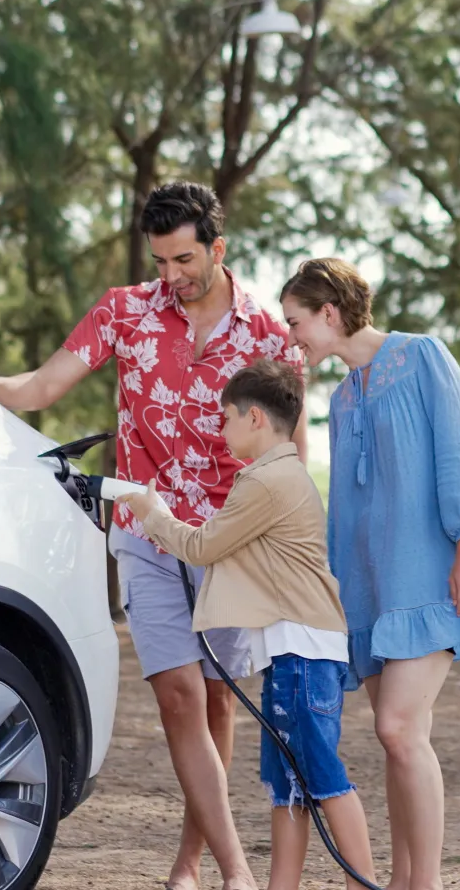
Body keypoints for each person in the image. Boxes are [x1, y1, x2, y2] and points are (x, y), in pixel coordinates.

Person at [0, 182, 302, 890]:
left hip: (233, 538)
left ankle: (192, 860)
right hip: (147, 531)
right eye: (160, 261)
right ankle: (236, 871)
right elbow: (45, 385)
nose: (170, 277)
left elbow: (287, 448)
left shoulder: (267, 333)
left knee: (218, 698)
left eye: (183, 260)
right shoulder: (126, 311)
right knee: (177, 695)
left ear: (217, 248)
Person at [279, 258, 460, 890]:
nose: (292, 337)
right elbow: (347, 505)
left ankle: (430, 883)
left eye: (296, 322)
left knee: (396, 728)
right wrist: (334, 586)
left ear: (329, 313)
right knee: (400, 738)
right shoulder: (340, 396)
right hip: (376, 588)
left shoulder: (423, 357)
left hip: (437, 576)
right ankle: (403, 880)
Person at [120, 359, 376, 890]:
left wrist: (151, 511)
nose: (220, 429)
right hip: (293, 652)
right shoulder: (279, 476)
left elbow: (201, 546)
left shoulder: (266, 483)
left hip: (302, 651)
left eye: (226, 418)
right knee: (288, 786)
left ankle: (364, 884)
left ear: (255, 417)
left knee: (324, 781)